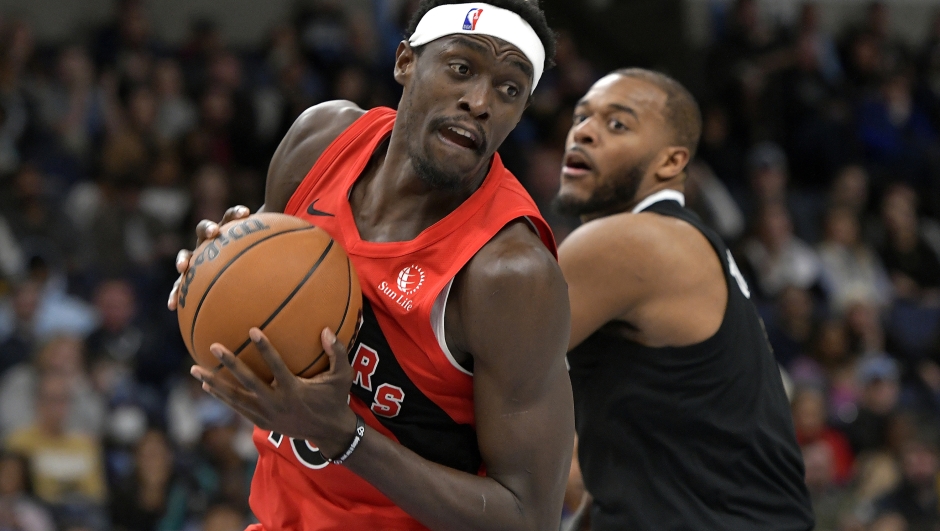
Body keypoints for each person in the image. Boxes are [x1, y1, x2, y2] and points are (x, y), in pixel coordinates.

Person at [167, 1, 573, 530]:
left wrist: (345, 438)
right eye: (461, 69)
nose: (479, 102)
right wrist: (212, 270)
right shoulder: (321, 141)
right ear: (405, 62)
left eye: (509, 89)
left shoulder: (508, 273)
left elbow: (529, 518)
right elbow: (247, 307)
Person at [557, 69, 814, 530]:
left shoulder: (634, 242)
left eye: (617, 124)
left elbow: (475, 364)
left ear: (671, 162)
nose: (585, 132)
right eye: (582, 117)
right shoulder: (682, 242)